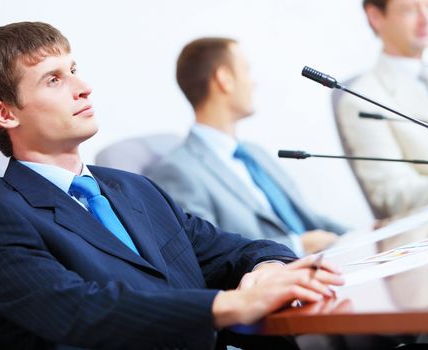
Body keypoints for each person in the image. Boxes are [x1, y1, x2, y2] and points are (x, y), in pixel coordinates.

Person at [0, 22, 343, 350]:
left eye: (73, 69)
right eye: (53, 79)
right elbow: (78, 310)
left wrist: (269, 268)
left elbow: (237, 249)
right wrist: (232, 304)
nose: (83, 86)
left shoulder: (134, 189)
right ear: (5, 113)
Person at [148, 38, 346, 256]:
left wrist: (371, 233)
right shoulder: (178, 171)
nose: (254, 82)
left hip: (328, 261)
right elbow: (210, 255)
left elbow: (310, 219)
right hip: (280, 275)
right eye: (246, 70)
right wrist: (297, 245)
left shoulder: (254, 153)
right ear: (224, 79)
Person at [336, 0, 428, 218]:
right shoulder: (361, 100)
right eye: (410, 10)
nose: (425, 20)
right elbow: (392, 194)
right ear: (375, 16)